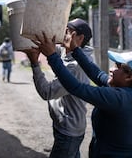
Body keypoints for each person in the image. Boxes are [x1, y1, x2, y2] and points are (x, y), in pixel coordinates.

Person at [35, 31, 132, 158]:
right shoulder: (131, 92)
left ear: (129, 77)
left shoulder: (118, 98)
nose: (111, 69)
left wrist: (52, 56)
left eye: (117, 66)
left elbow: (76, 88)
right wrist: (75, 49)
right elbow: (97, 74)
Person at [24, 18, 94, 158]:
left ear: (79, 39)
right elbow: (51, 47)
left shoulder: (75, 66)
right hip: (66, 126)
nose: (62, 34)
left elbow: (47, 92)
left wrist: (34, 63)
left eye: (68, 32)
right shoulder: (69, 50)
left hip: (69, 131)